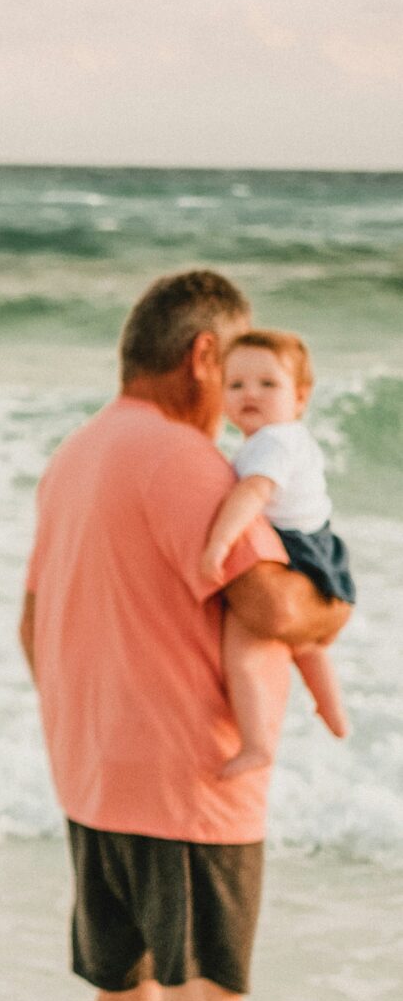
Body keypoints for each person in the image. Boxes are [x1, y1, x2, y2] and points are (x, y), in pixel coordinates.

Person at [20, 268, 351, 1001]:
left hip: (92, 780)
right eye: (236, 370)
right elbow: (274, 607)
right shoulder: (181, 460)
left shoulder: (75, 454)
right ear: (203, 356)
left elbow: (29, 624)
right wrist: (339, 611)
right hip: (188, 791)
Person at [203, 328, 354, 776]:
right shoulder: (278, 440)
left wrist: (218, 545)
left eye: (268, 384)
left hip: (296, 550)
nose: (250, 393)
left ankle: (257, 744)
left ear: (300, 397)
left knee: (243, 648)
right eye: (236, 385)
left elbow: (252, 493)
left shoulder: (274, 440)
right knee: (305, 644)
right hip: (320, 547)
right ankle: (333, 712)